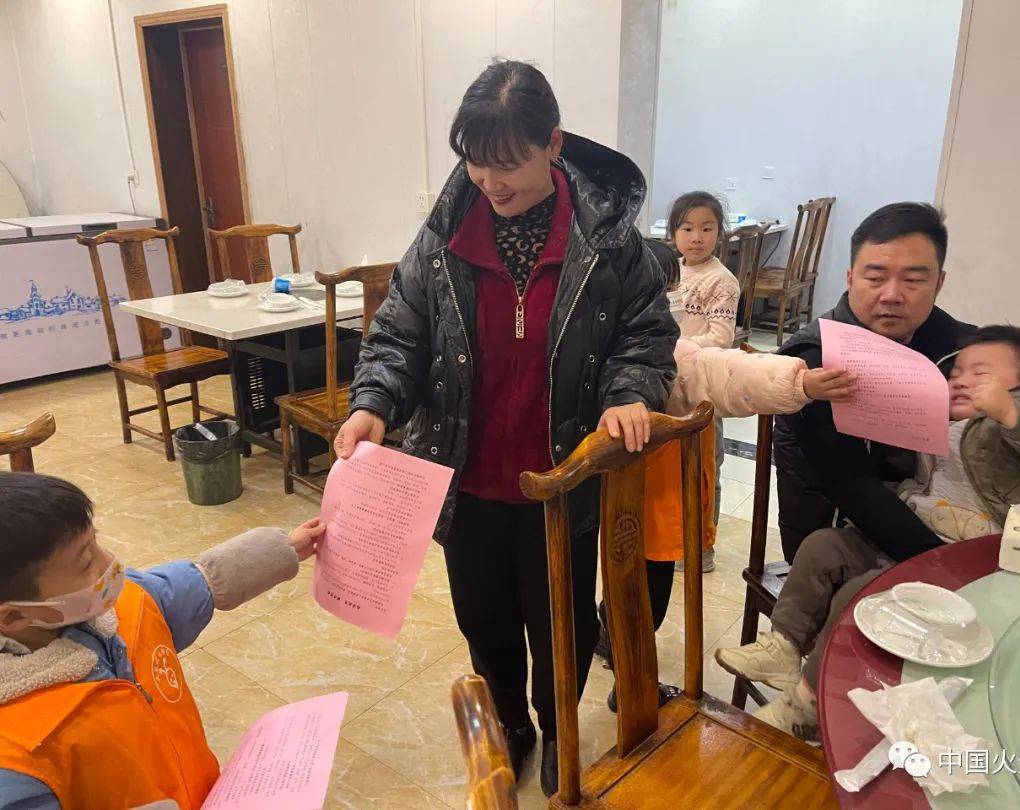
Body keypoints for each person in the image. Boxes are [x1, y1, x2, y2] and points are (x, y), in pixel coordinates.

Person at [333, 61, 678, 796]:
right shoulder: (442, 240)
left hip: (563, 481)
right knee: (482, 621)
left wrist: (626, 391)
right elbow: (398, 337)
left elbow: (646, 335)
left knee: (563, 629)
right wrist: (374, 403)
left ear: (552, 144)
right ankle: (513, 727)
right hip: (467, 479)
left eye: (510, 162)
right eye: (476, 162)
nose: (492, 181)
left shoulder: (611, 242)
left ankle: (557, 729)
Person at [717, 325, 1020, 741]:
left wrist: (1014, 415)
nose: (961, 380)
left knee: (862, 595)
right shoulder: (943, 418)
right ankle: (783, 645)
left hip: (966, 564)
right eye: (957, 371)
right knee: (821, 546)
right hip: (904, 535)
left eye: (981, 373)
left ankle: (807, 704)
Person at [0, 472, 325, 809]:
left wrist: (283, 548)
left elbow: (190, 585)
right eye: (85, 562)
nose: (108, 562)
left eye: (96, 541)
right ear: (13, 617)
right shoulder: (14, 759)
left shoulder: (120, 607)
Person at [599, 339, 856, 712]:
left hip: (653, 476)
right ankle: (622, 663)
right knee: (626, 582)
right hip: (623, 480)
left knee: (642, 583)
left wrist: (797, 381)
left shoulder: (656, 332)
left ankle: (629, 673)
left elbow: (710, 368)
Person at [773, 202, 975, 564]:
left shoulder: (959, 346)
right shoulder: (814, 360)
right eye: (876, 277)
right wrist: (944, 563)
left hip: (938, 521)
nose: (892, 295)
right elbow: (848, 486)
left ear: (939, 282)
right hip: (834, 543)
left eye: (913, 279)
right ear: (850, 278)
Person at [665, 191, 742, 575]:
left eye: (706, 228)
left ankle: (701, 546)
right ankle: (673, 536)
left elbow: (722, 336)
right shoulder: (669, 270)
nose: (696, 237)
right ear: (674, 232)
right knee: (670, 465)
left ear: (719, 233)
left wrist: (679, 348)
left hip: (703, 388)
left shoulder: (721, 281)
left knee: (704, 466)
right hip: (668, 386)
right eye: (687, 228)